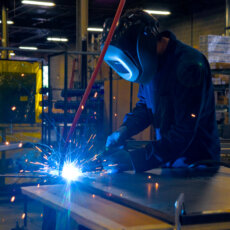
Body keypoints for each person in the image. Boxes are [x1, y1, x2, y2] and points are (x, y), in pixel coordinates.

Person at [101, 9, 220, 172]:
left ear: (142, 46)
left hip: (196, 165)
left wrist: (136, 159)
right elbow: (145, 107)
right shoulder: (151, 66)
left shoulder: (189, 66)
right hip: (169, 160)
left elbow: (183, 131)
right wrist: (125, 130)